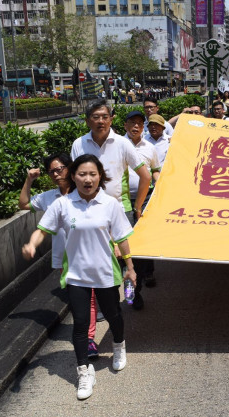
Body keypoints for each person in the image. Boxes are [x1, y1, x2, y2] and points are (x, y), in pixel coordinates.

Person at [22, 154, 136, 400]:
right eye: (82, 174)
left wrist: (130, 267)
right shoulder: (63, 204)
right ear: (73, 176)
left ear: (100, 177)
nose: (88, 179)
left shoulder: (110, 204)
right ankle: (84, 371)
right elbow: (42, 231)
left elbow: (122, 238)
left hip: (105, 272)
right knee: (81, 324)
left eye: (93, 174)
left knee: (114, 316)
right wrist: (32, 245)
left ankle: (118, 346)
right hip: (76, 275)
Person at [70, 99, 151, 308]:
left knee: (131, 258)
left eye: (105, 117)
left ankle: (133, 293)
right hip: (90, 211)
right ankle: (110, 302)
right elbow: (73, 179)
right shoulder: (79, 144)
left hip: (121, 210)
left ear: (112, 119)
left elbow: (145, 176)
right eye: (95, 117)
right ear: (88, 121)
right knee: (102, 259)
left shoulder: (122, 144)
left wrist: (138, 206)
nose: (100, 121)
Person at [125, 111, 161, 291]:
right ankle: (129, 274)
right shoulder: (118, 145)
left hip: (146, 197)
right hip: (123, 199)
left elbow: (154, 169)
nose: (136, 126)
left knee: (145, 235)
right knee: (126, 238)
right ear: (125, 126)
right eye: (132, 123)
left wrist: (159, 182)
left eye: (140, 123)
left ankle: (148, 272)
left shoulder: (149, 147)